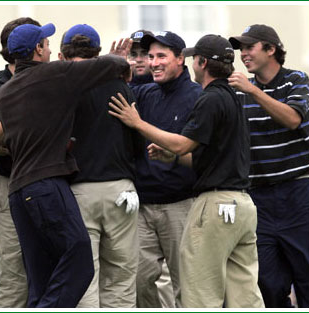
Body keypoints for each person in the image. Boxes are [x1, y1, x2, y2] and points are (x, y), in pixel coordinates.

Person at [109, 34, 265, 308]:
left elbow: (183, 144)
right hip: (241, 204)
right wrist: (173, 155)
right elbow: (205, 156)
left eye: (195, 59)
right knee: (244, 296)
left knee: (200, 294)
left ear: (201, 63)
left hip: (214, 204)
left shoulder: (209, 98)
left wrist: (137, 123)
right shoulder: (232, 97)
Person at [0, 23, 132, 308]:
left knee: (40, 279)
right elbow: (113, 64)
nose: (47, 47)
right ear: (38, 50)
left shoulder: (4, 92)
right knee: (80, 260)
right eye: (45, 43)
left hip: (18, 193)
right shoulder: (53, 74)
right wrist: (118, 59)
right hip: (46, 185)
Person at [58, 24, 142, 308]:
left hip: (80, 190)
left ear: (62, 55)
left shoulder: (64, 88)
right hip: (121, 189)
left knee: (85, 277)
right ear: (97, 53)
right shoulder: (120, 86)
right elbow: (137, 144)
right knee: (121, 278)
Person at [228, 24, 309, 308]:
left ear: (270, 49)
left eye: (249, 47)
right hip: (257, 198)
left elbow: (293, 119)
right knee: (267, 283)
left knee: (307, 278)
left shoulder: (296, 80)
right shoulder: (239, 92)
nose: (243, 55)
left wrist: (252, 90)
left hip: (297, 193)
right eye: (241, 49)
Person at [129, 31, 201, 307]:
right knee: (137, 279)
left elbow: (204, 155)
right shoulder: (146, 93)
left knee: (187, 283)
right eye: (150, 57)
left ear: (181, 59)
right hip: (143, 206)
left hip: (181, 204)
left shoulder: (197, 96)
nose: (153, 62)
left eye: (161, 56)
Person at [0, 17, 41, 308]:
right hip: (8, 184)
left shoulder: (48, 78)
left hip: (46, 184)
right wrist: (22, 95)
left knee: (47, 266)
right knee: (14, 269)